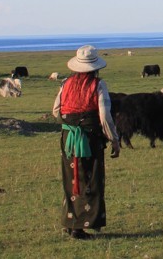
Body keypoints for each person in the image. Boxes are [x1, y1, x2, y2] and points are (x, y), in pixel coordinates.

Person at [52, 45, 120, 239]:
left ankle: (70, 221)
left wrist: (70, 123)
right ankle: (79, 227)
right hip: (88, 138)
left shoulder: (66, 83)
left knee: (72, 179)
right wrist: (114, 139)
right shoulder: (98, 85)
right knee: (89, 180)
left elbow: (56, 111)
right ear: (95, 67)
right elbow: (104, 116)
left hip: (68, 139)